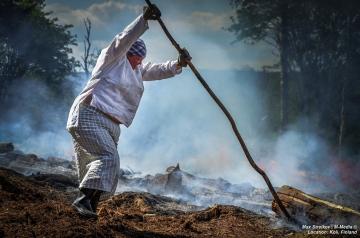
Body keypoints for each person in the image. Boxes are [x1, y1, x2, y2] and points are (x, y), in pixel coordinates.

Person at [66, 4, 191, 218]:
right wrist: (143, 20)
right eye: (136, 58)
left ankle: (89, 208)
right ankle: (82, 202)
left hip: (111, 124)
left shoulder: (137, 69)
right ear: (127, 53)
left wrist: (177, 64)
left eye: (141, 60)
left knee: (106, 166)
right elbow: (123, 39)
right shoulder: (112, 59)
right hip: (90, 114)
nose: (139, 63)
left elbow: (156, 70)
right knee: (108, 159)